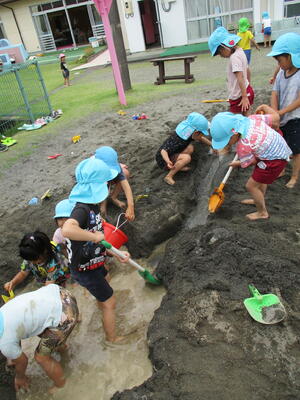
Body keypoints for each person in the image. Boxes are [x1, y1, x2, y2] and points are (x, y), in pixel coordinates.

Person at [62, 157, 130, 343]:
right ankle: (112, 338)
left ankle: (102, 303)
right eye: (107, 184)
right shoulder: (82, 210)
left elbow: (98, 240)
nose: (109, 187)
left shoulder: (92, 207)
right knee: (110, 302)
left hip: (94, 261)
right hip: (85, 268)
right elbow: (67, 229)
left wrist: (116, 253)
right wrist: (94, 237)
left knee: (106, 280)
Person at [210, 108, 292, 220]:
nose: (227, 144)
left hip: (273, 161)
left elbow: (251, 162)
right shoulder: (252, 118)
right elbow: (274, 119)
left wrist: (238, 163)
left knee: (251, 186)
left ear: (234, 134)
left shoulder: (244, 145)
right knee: (261, 180)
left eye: (227, 141)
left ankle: (262, 213)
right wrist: (264, 107)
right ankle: (258, 198)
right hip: (278, 148)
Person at [0, 284, 78, 393]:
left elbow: (22, 361)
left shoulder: (5, 343)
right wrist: (12, 356)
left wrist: (20, 377)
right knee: (39, 328)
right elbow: (14, 329)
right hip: (61, 294)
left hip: (64, 316)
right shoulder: (2, 312)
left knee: (41, 358)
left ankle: (61, 386)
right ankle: (62, 347)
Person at [265, 32, 300, 188]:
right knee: (282, 145)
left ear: (291, 57)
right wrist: (274, 112)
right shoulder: (280, 73)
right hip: (281, 117)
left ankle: (294, 176)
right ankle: (282, 170)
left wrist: (280, 112)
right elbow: (275, 92)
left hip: (295, 117)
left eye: (280, 60)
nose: (278, 64)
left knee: (296, 149)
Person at [155, 112, 212, 185]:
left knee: (190, 148)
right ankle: (169, 176)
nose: (202, 136)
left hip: (173, 153)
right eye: (202, 133)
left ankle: (178, 165)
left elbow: (200, 138)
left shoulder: (189, 133)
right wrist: (168, 161)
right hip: (163, 159)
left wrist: (211, 145)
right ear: (196, 133)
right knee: (187, 158)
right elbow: (163, 151)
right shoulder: (177, 139)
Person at [208, 26, 254, 115]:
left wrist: (244, 96)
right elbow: (248, 70)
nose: (221, 56)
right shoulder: (240, 51)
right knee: (247, 118)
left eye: (220, 53)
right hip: (247, 90)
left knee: (235, 121)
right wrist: (247, 88)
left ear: (224, 46)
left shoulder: (234, 58)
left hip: (239, 96)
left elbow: (240, 77)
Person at [4, 231, 70, 292]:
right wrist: (13, 282)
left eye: (34, 260)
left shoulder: (54, 262)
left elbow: (49, 286)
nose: (32, 262)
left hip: (60, 278)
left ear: (45, 251)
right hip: (45, 279)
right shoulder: (32, 256)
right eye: (30, 260)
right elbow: (23, 273)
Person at [95, 146, 135, 221]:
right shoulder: (92, 170)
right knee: (102, 210)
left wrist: (131, 206)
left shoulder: (115, 166)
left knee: (125, 173)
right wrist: (102, 206)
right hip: (96, 186)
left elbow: (126, 186)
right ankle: (103, 205)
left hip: (106, 180)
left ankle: (113, 197)